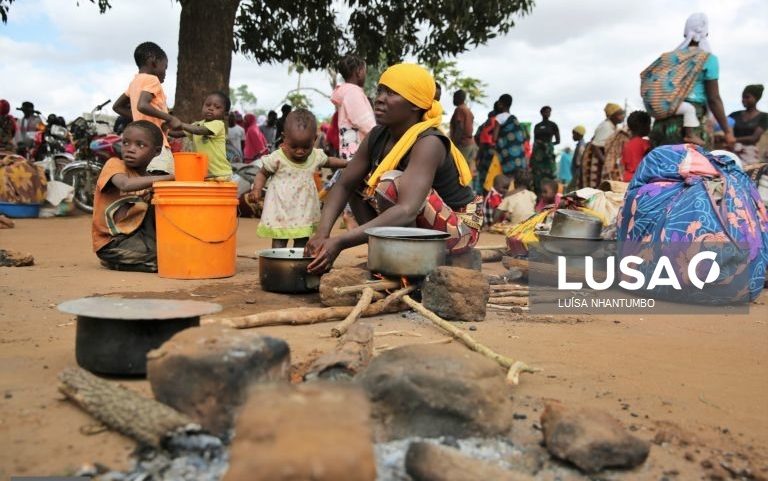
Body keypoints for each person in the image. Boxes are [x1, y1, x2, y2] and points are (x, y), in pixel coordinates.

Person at [305, 63, 480, 273]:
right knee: (354, 179)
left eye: (391, 93)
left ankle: (410, 262)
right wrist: (322, 235)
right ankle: (385, 252)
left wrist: (341, 241)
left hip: (460, 230)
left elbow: (406, 210)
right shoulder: (377, 136)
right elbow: (344, 184)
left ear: (415, 104)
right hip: (423, 222)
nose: (379, 98)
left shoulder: (429, 142)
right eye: (380, 90)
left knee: (391, 183)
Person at [249, 109, 347, 249]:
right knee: (279, 240)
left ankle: (298, 261)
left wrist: (348, 163)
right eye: (294, 146)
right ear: (284, 138)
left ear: (314, 139)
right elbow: (262, 173)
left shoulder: (315, 156)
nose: (300, 151)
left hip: (304, 210)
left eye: (306, 147)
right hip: (280, 209)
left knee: (302, 238)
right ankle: (278, 262)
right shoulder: (277, 158)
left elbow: (329, 161)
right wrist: (257, 189)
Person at [92, 121, 174, 272]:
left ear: (156, 152)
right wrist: (170, 178)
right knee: (164, 262)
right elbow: (125, 184)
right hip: (112, 242)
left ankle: (137, 256)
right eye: (126, 143)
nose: (130, 149)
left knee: (173, 252)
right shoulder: (115, 165)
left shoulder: (150, 177)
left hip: (138, 236)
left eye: (140, 145)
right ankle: (117, 261)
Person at [647, 13, 735, 149]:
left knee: (661, 161)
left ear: (685, 33)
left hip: (662, 123)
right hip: (692, 126)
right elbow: (713, 99)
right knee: (694, 162)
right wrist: (727, 131)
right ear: (706, 33)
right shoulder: (708, 59)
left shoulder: (667, 58)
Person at [113, 42, 181, 173]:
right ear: (153, 62)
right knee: (163, 180)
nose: (165, 72)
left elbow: (117, 107)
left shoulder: (134, 82)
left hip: (143, 148)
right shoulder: (152, 80)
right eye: (165, 67)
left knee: (147, 181)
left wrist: (139, 119)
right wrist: (170, 118)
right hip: (157, 147)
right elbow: (142, 105)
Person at [330, 54, 377, 230]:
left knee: (352, 185)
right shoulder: (353, 93)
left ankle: (350, 215)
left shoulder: (347, 92)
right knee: (360, 186)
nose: (365, 74)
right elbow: (364, 121)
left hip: (350, 148)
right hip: (359, 149)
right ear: (358, 71)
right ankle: (351, 217)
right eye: (364, 70)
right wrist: (379, 135)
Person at [172, 91, 232, 180]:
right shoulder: (197, 124)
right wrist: (165, 130)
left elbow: (200, 131)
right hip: (204, 173)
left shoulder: (218, 124)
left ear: (225, 115)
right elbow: (178, 134)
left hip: (220, 174)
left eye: (217, 107)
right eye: (208, 105)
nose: (211, 108)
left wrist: (181, 124)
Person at [580, 103, 625, 188]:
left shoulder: (614, 127)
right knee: (595, 185)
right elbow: (595, 146)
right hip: (596, 159)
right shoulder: (606, 126)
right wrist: (605, 162)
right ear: (611, 115)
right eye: (619, 114)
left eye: (622, 113)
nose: (622, 116)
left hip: (603, 157)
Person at [730, 84, 767, 165]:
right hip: (732, 151)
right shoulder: (734, 115)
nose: (743, 100)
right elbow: (725, 128)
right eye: (743, 97)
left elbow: (754, 138)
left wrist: (734, 139)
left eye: (747, 97)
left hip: (750, 154)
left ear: (756, 98)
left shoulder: (764, 117)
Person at [494, 94, 528, 175]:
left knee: (508, 176)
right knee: (517, 176)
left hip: (507, 155)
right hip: (519, 156)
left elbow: (494, 138)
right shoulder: (514, 118)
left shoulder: (499, 117)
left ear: (500, 104)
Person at [450, 90, 478, 190]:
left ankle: (464, 191)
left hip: (463, 144)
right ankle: (470, 191)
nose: (453, 100)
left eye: (454, 97)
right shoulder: (467, 110)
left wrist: (453, 144)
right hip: (471, 143)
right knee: (468, 170)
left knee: (459, 169)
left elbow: (460, 127)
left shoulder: (459, 109)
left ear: (458, 98)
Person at [531, 106, 560, 196]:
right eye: (546, 112)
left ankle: (550, 195)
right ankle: (538, 196)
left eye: (549, 112)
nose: (547, 113)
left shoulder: (553, 125)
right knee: (537, 175)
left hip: (548, 155)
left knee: (550, 175)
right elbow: (535, 141)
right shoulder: (537, 126)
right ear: (541, 113)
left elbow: (558, 141)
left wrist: (548, 145)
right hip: (538, 155)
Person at [474, 104, 500, 194]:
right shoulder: (499, 123)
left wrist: (478, 156)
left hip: (484, 153)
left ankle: (482, 196)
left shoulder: (483, 125)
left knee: (483, 179)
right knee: (494, 179)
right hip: (495, 155)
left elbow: (477, 137)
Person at [622, 111, 652, 182]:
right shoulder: (645, 143)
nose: (650, 128)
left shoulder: (627, 144)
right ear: (643, 127)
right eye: (649, 125)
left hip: (626, 178)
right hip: (640, 179)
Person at [569, 125, 586, 189]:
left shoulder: (581, 145)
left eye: (574, 134)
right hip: (577, 172)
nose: (572, 136)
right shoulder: (579, 144)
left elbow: (579, 162)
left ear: (579, 134)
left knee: (570, 189)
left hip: (578, 172)